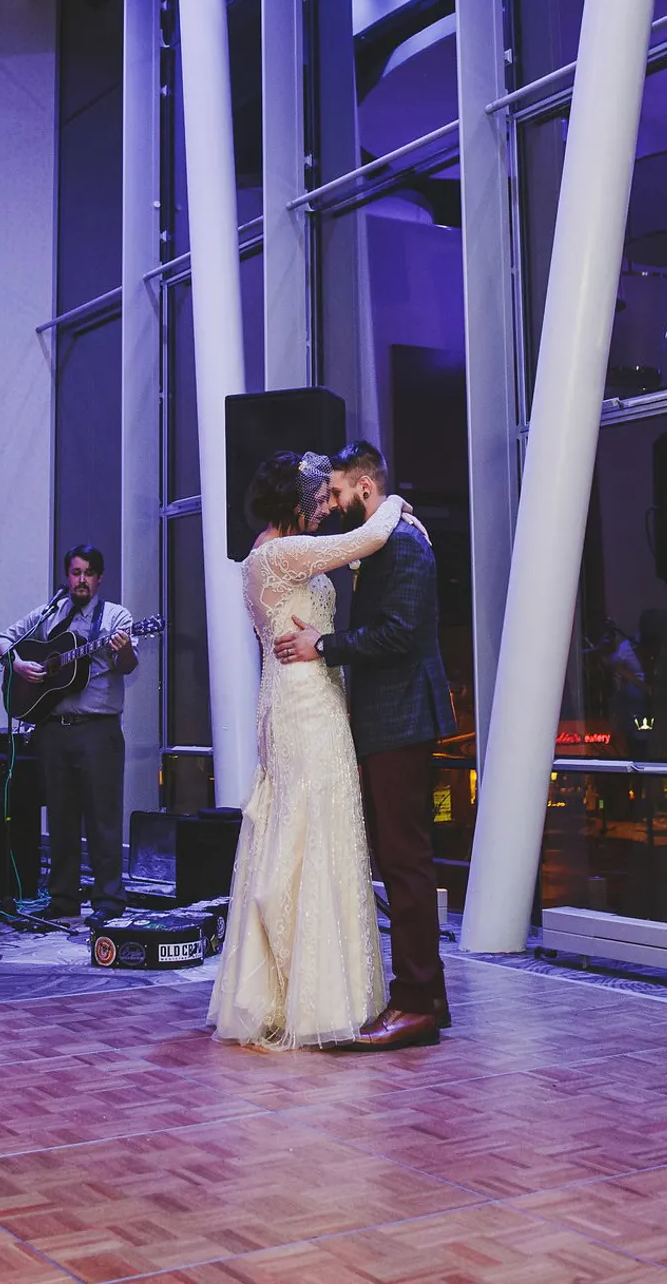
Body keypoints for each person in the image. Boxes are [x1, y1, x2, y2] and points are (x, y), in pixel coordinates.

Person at [207, 451, 425, 1050]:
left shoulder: (265, 553)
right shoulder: (282, 553)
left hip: (296, 696)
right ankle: (321, 994)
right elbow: (368, 535)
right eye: (319, 498)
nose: (327, 507)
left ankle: (292, 987)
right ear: (294, 502)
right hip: (306, 704)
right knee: (317, 830)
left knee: (301, 828)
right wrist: (400, 505)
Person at [275, 441, 456, 1051]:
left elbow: (399, 634)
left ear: (365, 489)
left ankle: (416, 1005)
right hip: (390, 720)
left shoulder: (402, 543)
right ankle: (427, 998)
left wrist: (324, 646)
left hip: (402, 717)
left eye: (335, 492)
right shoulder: (387, 539)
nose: (329, 502)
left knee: (405, 863)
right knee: (400, 860)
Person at [0, 545, 138, 925]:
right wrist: (19, 664)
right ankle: (63, 900)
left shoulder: (115, 617)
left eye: (89, 573)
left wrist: (122, 651)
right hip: (52, 730)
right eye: (75, 572)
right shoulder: (51, 612)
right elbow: (2, 640)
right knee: (59, 818)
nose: (81, 580)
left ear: (100, 578)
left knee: (102, 819)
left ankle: (107, 900)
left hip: (97, 731)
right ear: (67, 576)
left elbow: (128, 665)